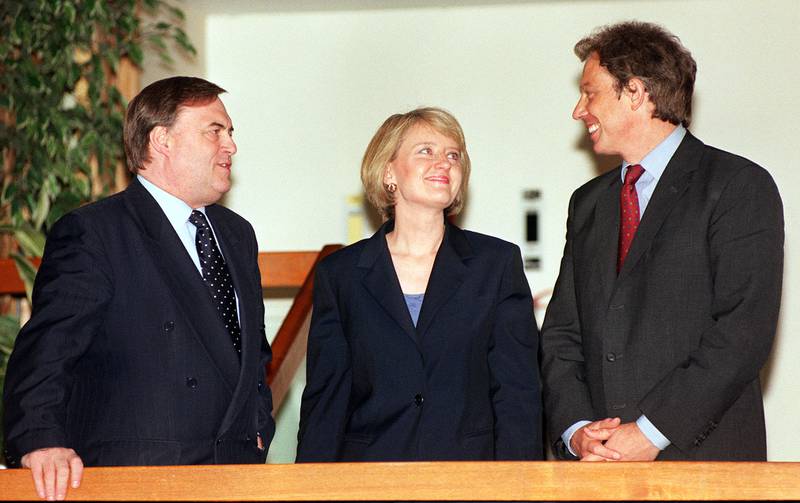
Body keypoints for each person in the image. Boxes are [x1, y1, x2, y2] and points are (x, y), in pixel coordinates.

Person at [3, 76, 275, 500]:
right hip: (140, 479)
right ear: (162, 140)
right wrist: (40, 440)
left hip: (235, 477)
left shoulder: (237, 235)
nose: (231, 146)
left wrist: (258, 426)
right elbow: (48, 350)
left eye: (231, 133)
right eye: (215, 131)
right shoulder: (96, 232)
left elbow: (253, 354)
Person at [541, 21, 783, 461]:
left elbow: (741, 332)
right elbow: (562, 335)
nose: (579, 110)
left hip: (706, 468)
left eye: (589, 92)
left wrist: (651, 433)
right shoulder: (588, 204)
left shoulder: (738, 186)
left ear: (634, 92)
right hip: (600, 471)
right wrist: (577, 431)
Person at [296, 107, 542, 462]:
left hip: (470, 481)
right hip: (369, 481)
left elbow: (517, 392)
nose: (444, 162)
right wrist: (309, 492)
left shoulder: (496, 264)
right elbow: (327, 398)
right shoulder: (341, 274)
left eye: (453, 155)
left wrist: (517, 489)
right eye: (426, 151)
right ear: (388, 172)